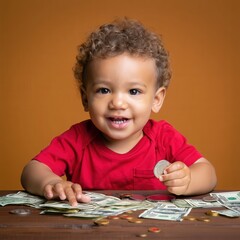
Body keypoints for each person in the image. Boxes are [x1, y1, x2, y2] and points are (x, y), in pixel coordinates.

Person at [21, 18, 217, 206]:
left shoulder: (164, 138)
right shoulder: (77, 139)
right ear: (85, 98)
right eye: (104, 90)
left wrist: (188, 180)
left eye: (134, 91)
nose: (117, 103)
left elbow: (208, 173)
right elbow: (32, 170)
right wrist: (51, 183)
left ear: (156, 100)